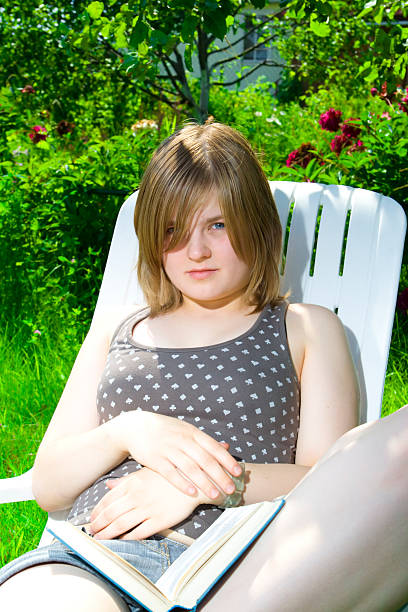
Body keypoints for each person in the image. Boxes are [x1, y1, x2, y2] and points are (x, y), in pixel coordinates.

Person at [0, 122, 407, 612]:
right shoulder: (117, 328)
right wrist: (129, 431)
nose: (196, 251)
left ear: (256, 224)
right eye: (173, 229)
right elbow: (48, 485)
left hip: (248, 567)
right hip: (94, 562)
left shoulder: (305, 327)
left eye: (217, 225)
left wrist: (197, 488)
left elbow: (330, 482)